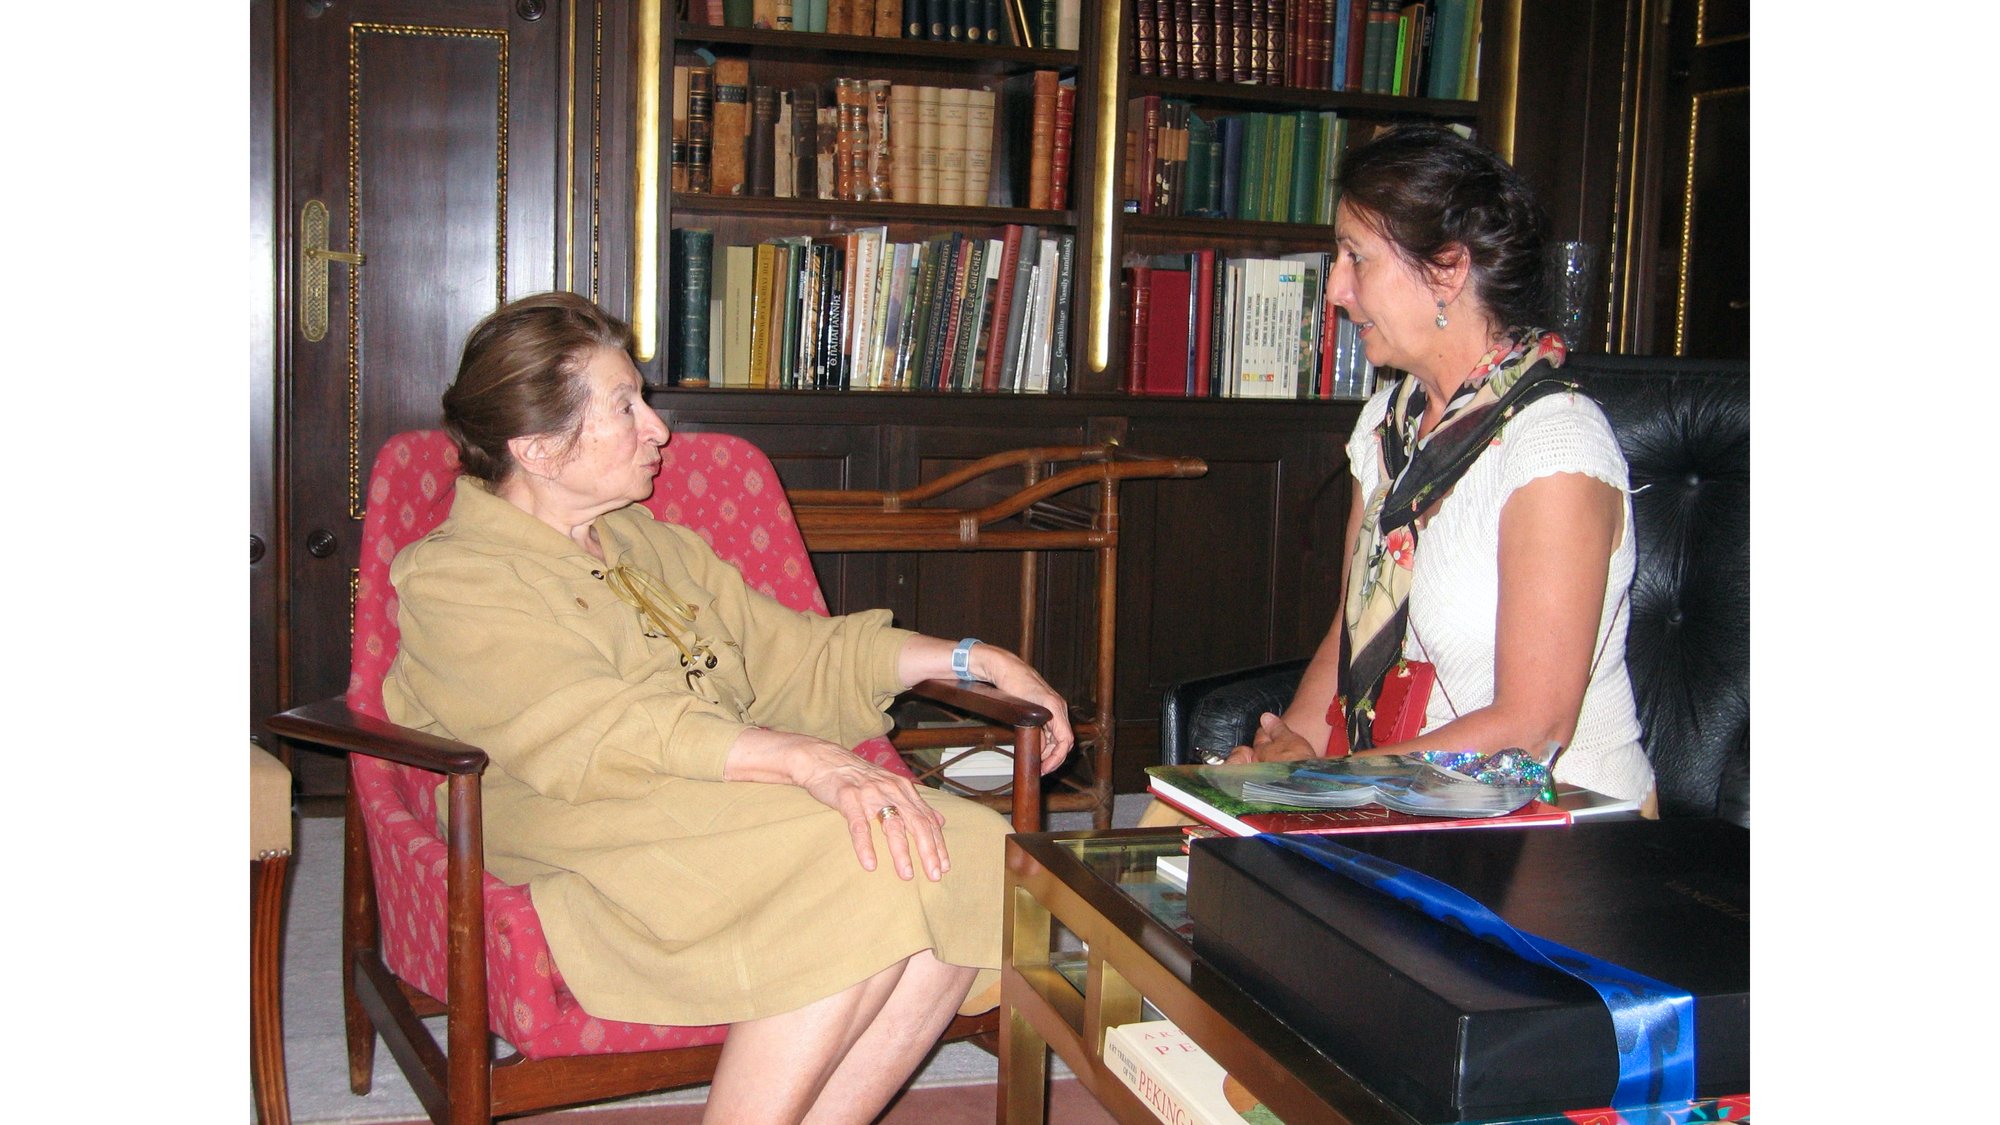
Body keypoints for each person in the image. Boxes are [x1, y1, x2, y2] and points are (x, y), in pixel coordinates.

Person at [382, 292, 1075, 1124]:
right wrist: (800, 758)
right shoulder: (456, 576)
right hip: (585, 822)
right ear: (535, 447)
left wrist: (974, 656)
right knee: (871, 862)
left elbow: (796, 652)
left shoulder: (650, 543)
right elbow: (593, 728)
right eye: (625, 406)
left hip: (714, 797)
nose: (659, 428)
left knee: (970, 847)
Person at [1218, 127, 1655, 809]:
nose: (1335, 290)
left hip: (1562, 823)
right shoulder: (1386, 427)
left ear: (1448, 269)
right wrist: (1287, 755)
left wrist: (1330, 783)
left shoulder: (1557, 447)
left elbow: (1531, 728)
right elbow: (1352, 623)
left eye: (1355, 258)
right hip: (1411, 801)